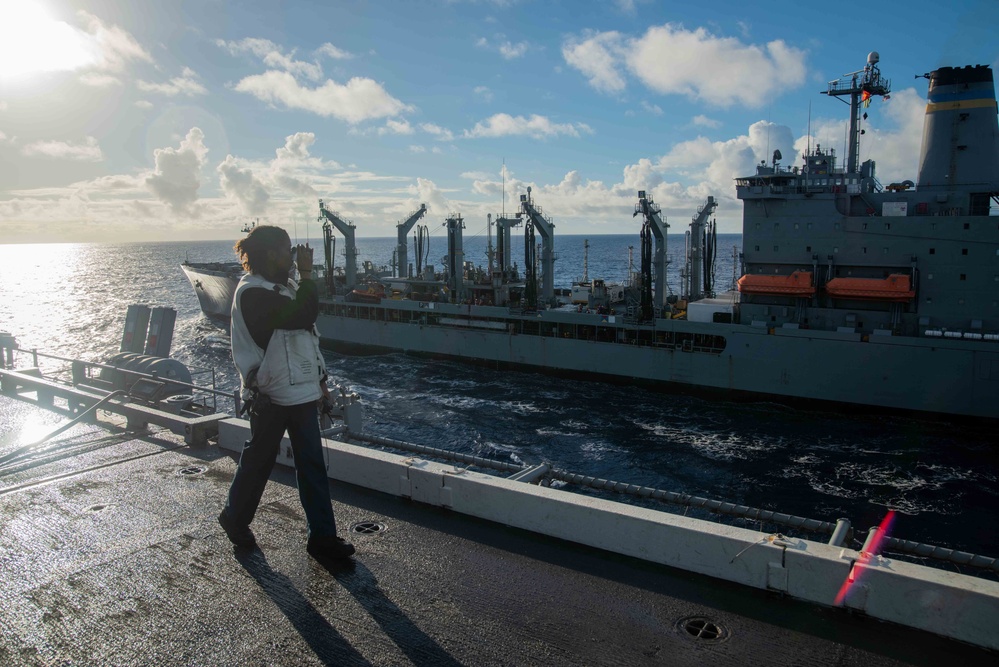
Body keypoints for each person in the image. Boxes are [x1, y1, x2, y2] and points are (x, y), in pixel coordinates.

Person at [218, 224, 355, 560]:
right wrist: (308, 274)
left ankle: (322, 539)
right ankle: (234, 518)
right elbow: (303, 315)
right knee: (259, 461)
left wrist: (320, 379)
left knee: (312, 464)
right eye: (287, 250)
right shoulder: (251, 293)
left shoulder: (285, 287)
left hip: (300, 391)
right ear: (271, 254)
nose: (293, 257)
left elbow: (306, 338)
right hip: (269, 393)